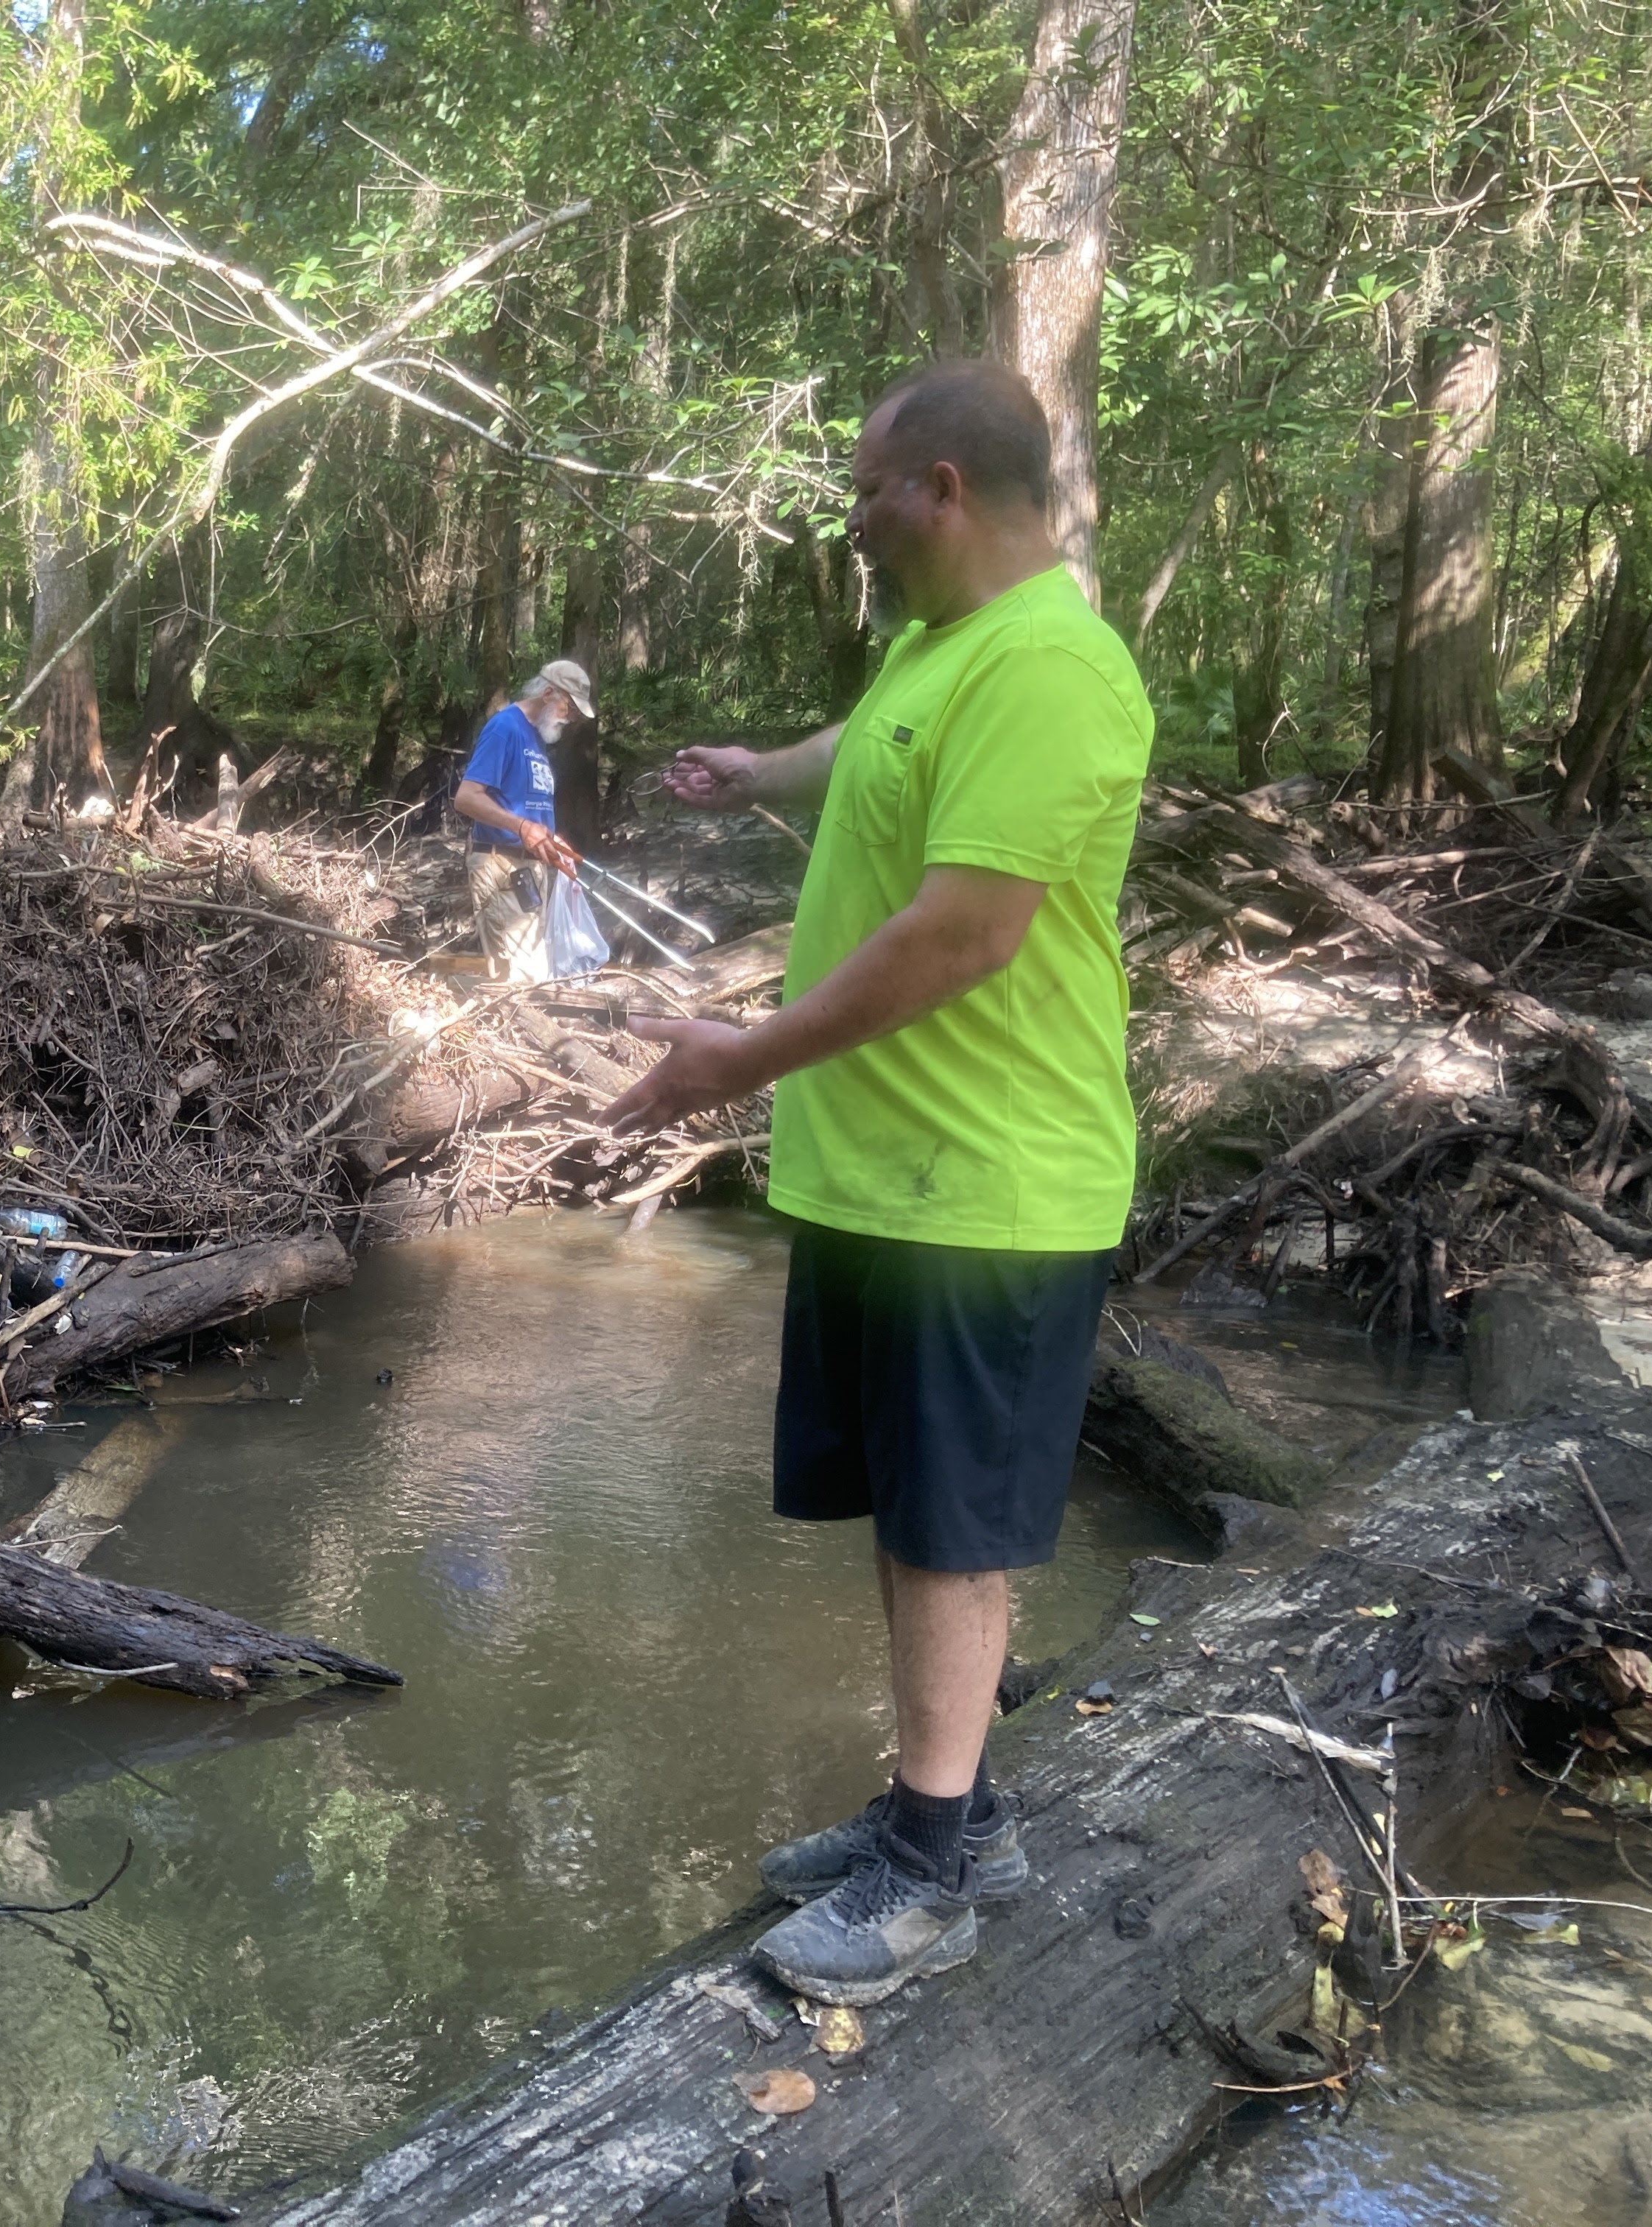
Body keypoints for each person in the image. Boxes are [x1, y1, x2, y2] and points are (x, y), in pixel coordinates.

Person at [605, 359, 1150, 2008]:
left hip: (987, 1189)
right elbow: (877, 746)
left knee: (954, 1528)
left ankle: (932, 1877)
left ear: (941, 490)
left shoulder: (1058, 665)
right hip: (896, 1182)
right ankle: (949, 1803)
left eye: (863, 492)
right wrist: (760, 772)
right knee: (919, 1521)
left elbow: (968, 933)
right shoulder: (949, 646)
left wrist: (740, 1058)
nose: (851, 523)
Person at [451, 660, 593, 980]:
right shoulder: (505, 729)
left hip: (529, 869)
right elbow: (467, 798)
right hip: (501, 866)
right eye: (569, 709)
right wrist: (522, 827)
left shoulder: (536, 737)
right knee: (523, 980)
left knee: (532, 974)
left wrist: (549, 836)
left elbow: (528, 805)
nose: (571, 719)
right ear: (548, 694)